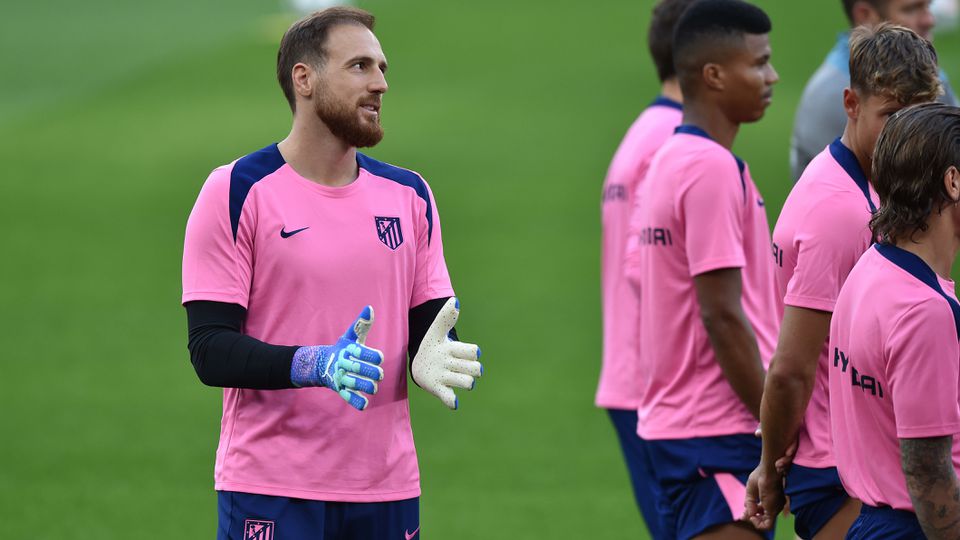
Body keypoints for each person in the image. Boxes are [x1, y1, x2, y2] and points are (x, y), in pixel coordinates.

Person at [180, 7, 483, 539]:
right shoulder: (236, 191)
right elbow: (210, 348)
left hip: (386, 487)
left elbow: (433, 325)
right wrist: (315, 362)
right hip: (272, 486)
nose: (381, 84)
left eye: (383, 68)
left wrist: (432, 354)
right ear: (305, 79)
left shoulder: (410, 195)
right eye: (360, 66)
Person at [744, 23, 942, 539]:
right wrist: (768, 468)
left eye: (919, 118)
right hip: (844, 475)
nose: (907, 136)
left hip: (853, 462)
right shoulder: (839, 214)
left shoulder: (863, 184)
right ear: (851, 103)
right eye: (892, 117)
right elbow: (791, 368)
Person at [624, 1, 779, 537]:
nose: (772, 77)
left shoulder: (672, 158)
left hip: (685, 425)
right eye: (758, 63)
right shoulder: (709, 169)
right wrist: (775, 422)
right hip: (718, 430)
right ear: (713, 75)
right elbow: (721, 313)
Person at [828, 102, 960, 539]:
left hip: (872, 520)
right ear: (953, 182)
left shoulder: (870, 270)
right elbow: (927, 472)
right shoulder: (925, 311)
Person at [596, 0, 694, 537]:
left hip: (637, 382)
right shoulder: (674, 142)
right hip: (665, 391)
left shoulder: (645, 131)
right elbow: (652, 271)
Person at [789, 0, 958, 181]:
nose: (929, 20)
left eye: (928, 6)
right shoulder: (831, 97)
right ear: (865, 16)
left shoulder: (923, 72)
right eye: (911, 9)